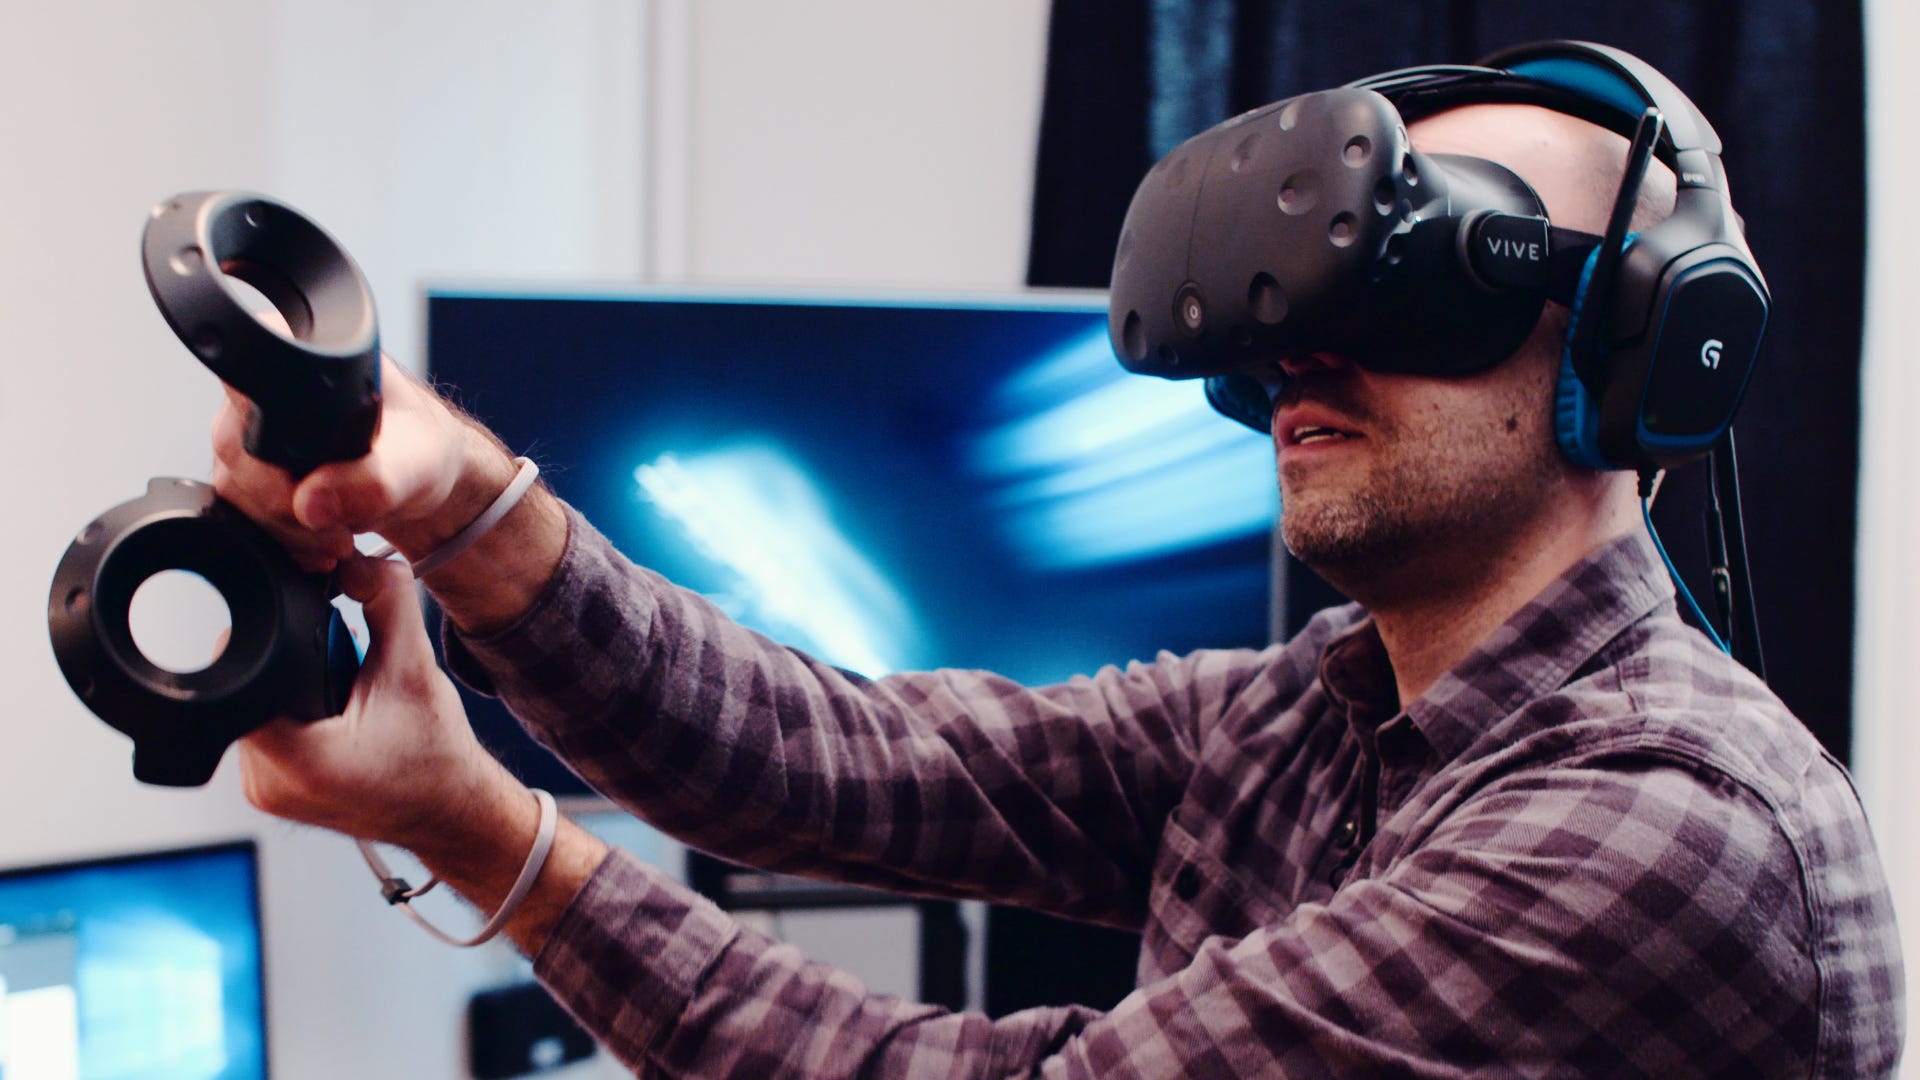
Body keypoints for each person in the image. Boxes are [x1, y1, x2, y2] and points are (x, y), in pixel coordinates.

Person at [212, 100, 1903, 1076]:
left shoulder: (1665, 831)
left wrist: (479, 836)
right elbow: (835, 758)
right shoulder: (1316, 708)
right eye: (1300, 286)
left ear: (1646, 347)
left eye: (1415, 277)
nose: (1303, 348)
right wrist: (466, 511)